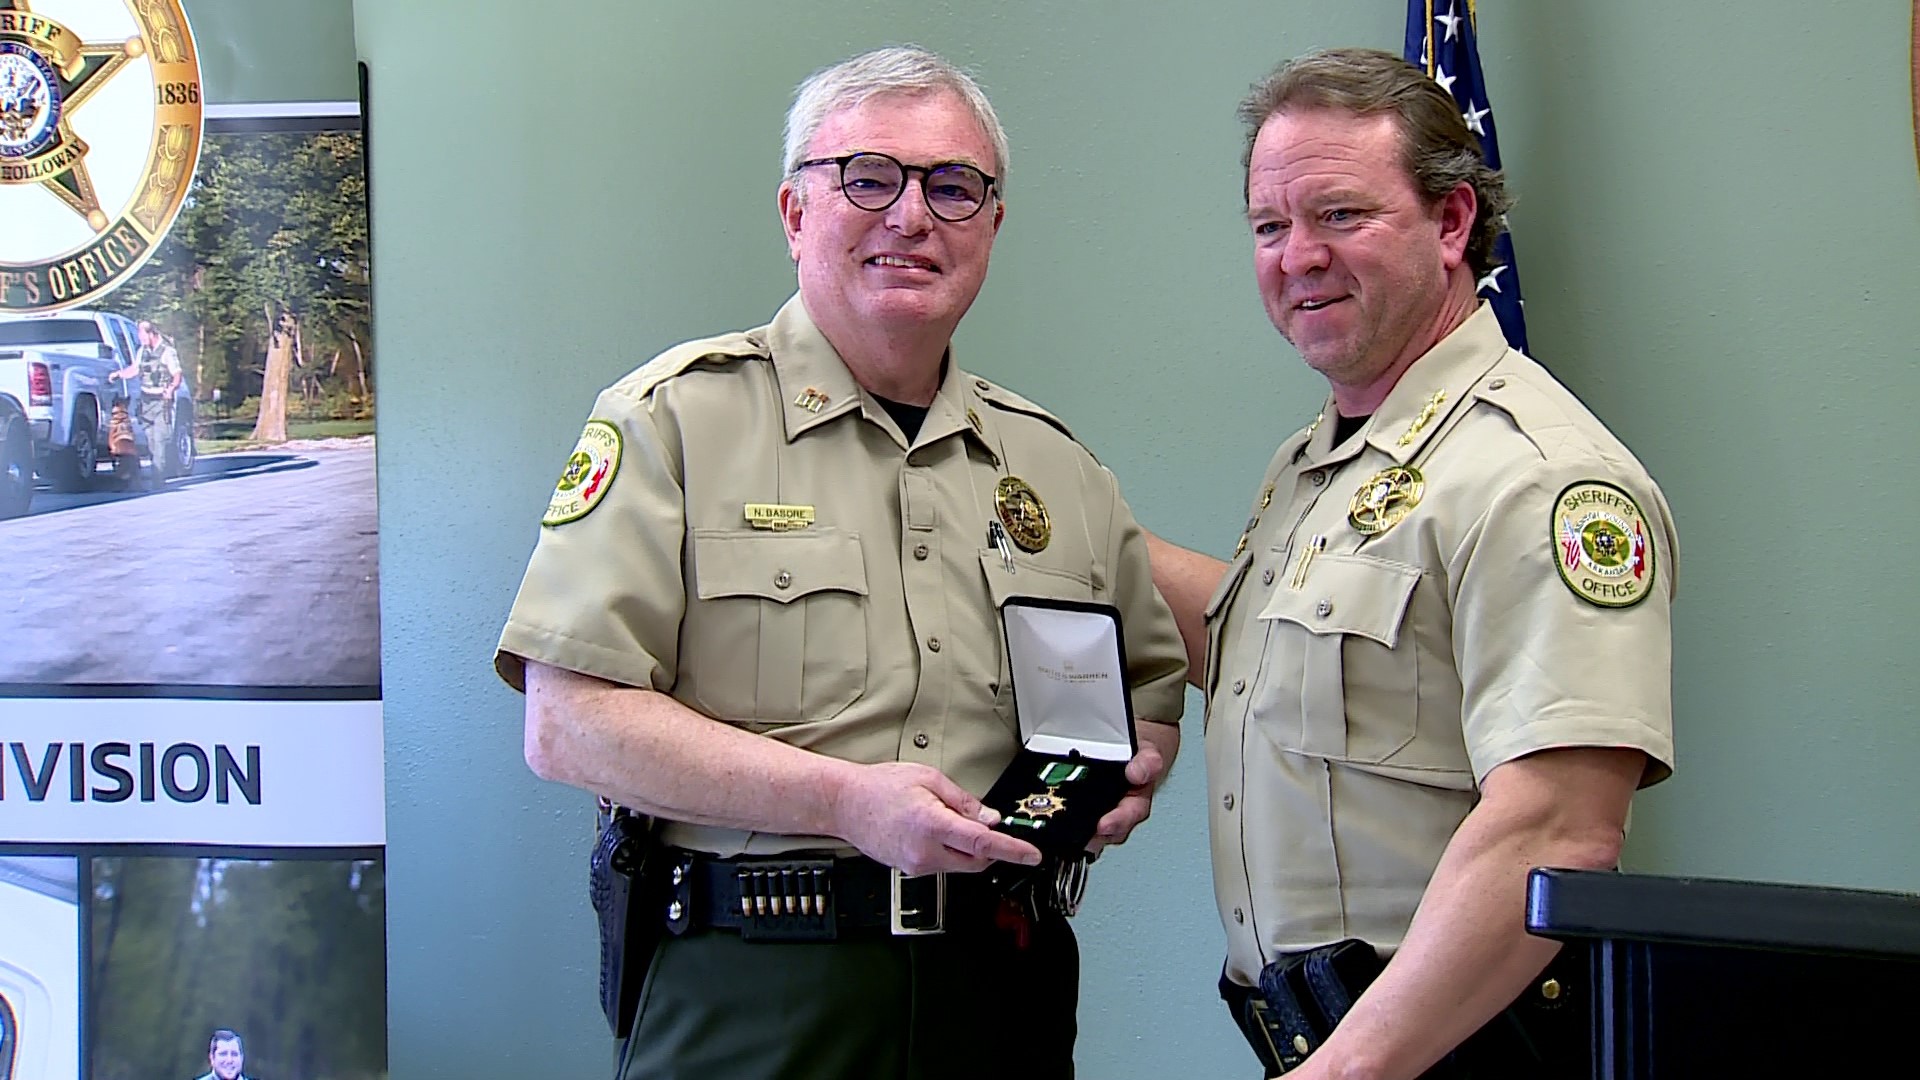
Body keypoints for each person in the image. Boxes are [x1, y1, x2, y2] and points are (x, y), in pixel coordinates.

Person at [493, 45, 1188, 1079]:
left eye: (953, 188)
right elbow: (570, 724)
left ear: (991, 227)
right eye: (869, 177)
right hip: (755, 987)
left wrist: (1126, 783)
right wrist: (843, 801)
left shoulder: (1056, 468)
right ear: (795, 212)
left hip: (1004, 990)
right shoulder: (675, 420)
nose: (912, 217)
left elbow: (1149, 696)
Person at [1144, 47, 1679, 1079]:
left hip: (1453, 1052)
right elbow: (1265, 655)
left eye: (1339, 216)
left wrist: (1346, 1075)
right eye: (1270, 225)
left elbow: (1559, 829)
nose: (1297, 255)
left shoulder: (1532, 475)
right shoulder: (1317, 462)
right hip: (1327, 1043)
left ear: (1450, 224)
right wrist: (1073, 524)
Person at [134, 320, 182, 486]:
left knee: (160, 439)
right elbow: (135, 369)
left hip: (162, 400)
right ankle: (158, 471)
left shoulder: (168, 351)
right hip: (146, 401)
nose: (140, 339)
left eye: (142, 335)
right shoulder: (142, 351)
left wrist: (170, 390)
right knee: (150, 441)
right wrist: (118, 374)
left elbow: (177, 375)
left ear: (151, 333)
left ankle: (158, 478)